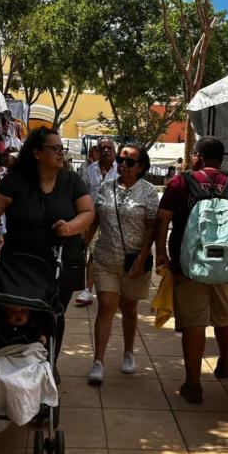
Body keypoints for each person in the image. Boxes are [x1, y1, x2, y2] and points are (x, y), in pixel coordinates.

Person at [154, 136, 228, 404]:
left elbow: (162, 220)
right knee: (225, 316)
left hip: (188, 266)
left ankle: (193, 384)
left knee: (194, 323)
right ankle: (225, 361)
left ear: (198, 157)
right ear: (221, 158)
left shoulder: (181, 183)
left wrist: (161, 252)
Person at [0, 127, 94, 360]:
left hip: (59, 261)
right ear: (36, 153)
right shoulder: (18, 180)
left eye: (61, 148)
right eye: (55, 148)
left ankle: (48, 364)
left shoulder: (71, 180)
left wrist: (69, 227)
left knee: (53, 314)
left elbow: (87, 212)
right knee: (16, 309)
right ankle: (12, 357)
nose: (60, 153)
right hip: (19, 263)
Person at [85, 143, 159, 385]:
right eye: (121, 160)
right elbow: (95, 219)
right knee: (106, 305)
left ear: (141, 167)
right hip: (105, 257)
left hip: (134, 262)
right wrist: (82, 245)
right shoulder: (106, 188)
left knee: (129, 307)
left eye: (129, 162)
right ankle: (98, 360)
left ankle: (128, 352)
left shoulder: (148, 192)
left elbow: (151, 229)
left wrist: (141, 258)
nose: (123, 165)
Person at [75, 137, 118, 306]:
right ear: (97, 152)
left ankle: (112, 289)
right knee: (92, 253)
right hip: (92, 219)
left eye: (109, 148)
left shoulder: (121, 170)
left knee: (112, 255)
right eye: (102, 148)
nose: (106, 150)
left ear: (115, 151)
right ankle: (88, 290)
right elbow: (81, 193)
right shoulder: (90, 170)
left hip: (113, 219)